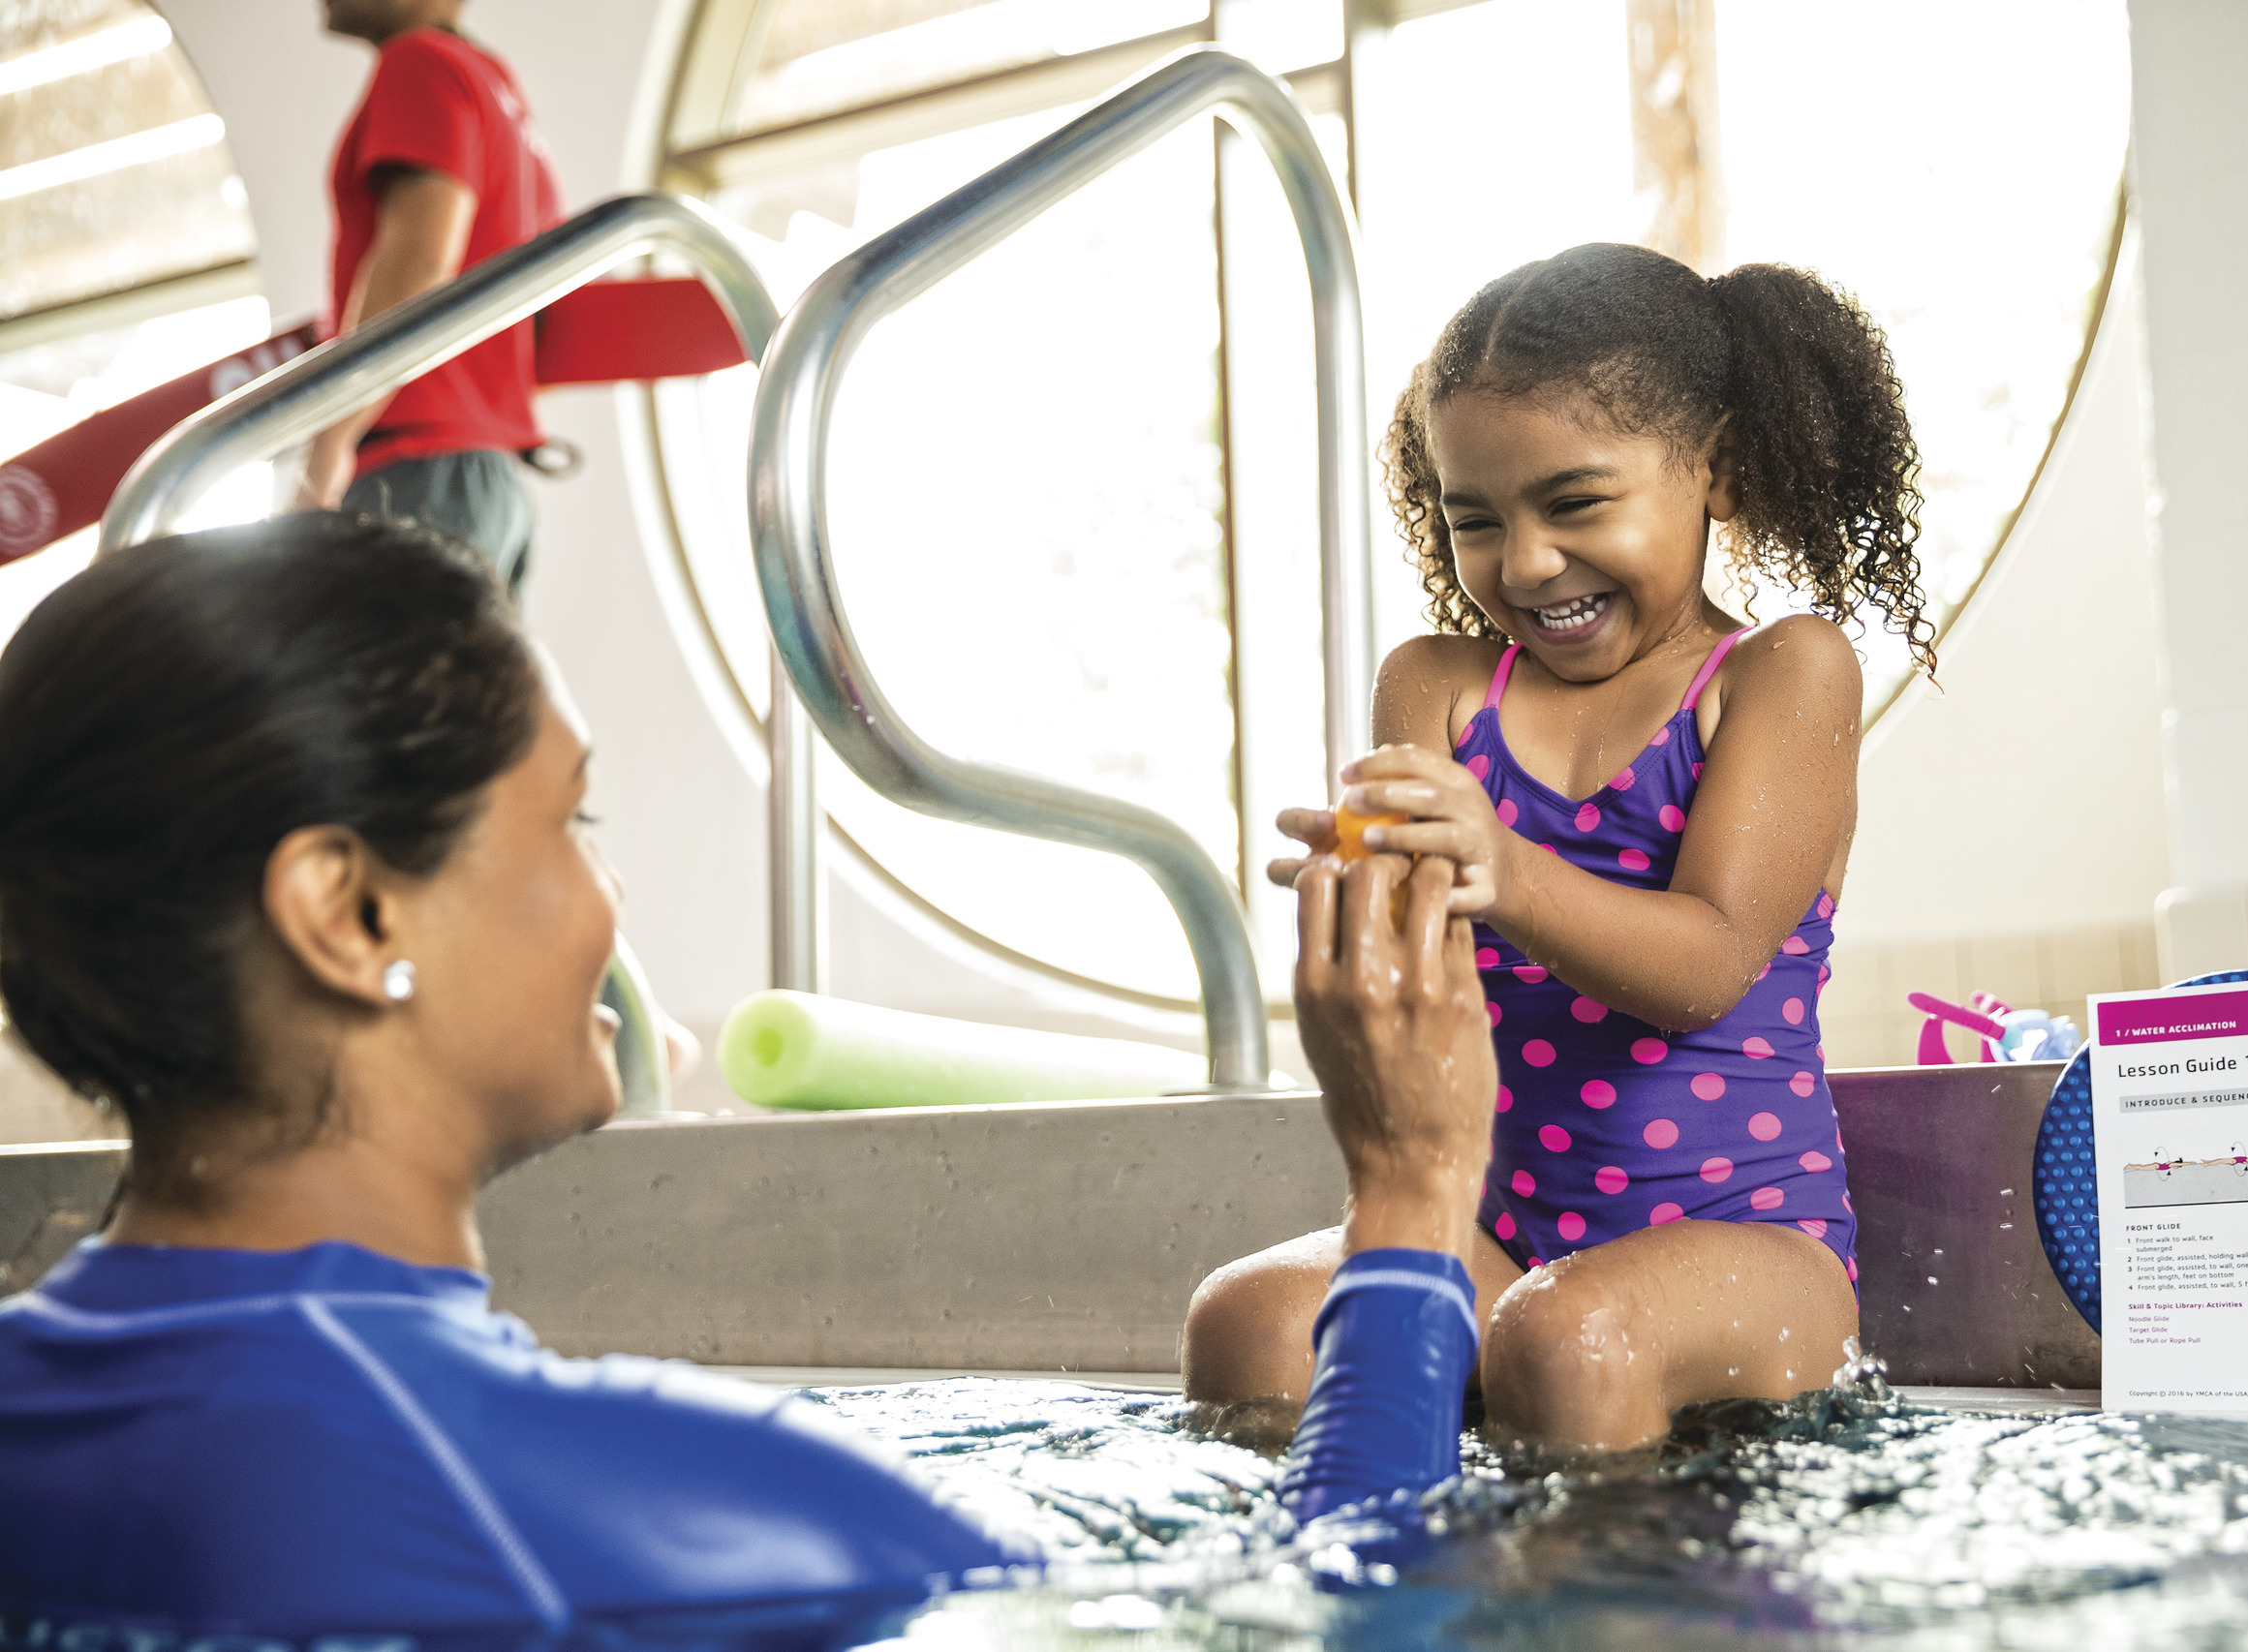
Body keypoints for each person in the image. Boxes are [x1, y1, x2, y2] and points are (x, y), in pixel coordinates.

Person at [0, 516, 1493, 1638]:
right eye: (568, 822)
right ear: (350, 909)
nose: (609, 899)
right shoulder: (624, 1499)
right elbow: (1312, 1625)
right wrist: (1411, 1187)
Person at [1184, 243, 1934, 1452]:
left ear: (1720, 470)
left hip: (1752, 1244)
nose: (1524, 563)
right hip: (1500, 1234)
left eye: (1576, 503)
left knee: (1566, 1334)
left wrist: (1510, 870)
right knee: (1252, 1322)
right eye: (1474, 518)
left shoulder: (1782, 674)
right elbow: (1415, 987)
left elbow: (1710, 961)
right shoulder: (1437, 687)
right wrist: (1360, 904)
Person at [293, 0, 559, 591]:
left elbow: (417, 261)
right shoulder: (495, 83)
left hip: (418, 469)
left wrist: (325, 455)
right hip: (488, 476)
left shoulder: (420, 63)